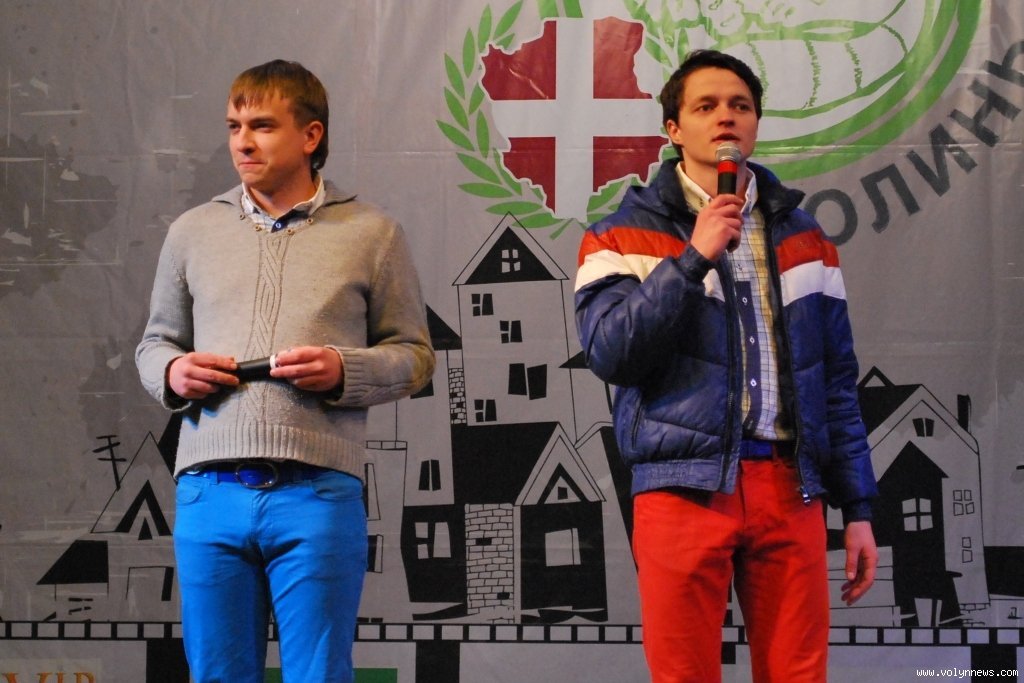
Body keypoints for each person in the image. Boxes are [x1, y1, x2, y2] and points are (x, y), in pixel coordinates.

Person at [574, 50, 878, 683]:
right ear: (673, 129)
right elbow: (611, 353)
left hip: (790, 487)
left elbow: (836, 383)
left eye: (740, 106)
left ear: (756, 123)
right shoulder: (617, 235)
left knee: (798, 675)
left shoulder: (806, 237)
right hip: (682, 489)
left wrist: (858, 510)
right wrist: (692, 258)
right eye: (705, 106)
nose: (726, 118)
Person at [135, 59, 434, 683]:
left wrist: (344, 369)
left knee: (319, 675)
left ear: (310, 135)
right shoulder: (191, 231)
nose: (242, 142)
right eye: (234, 126)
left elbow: (414, 356)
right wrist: (173, 372)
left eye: (263, 126)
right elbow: (155, 344)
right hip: (208, 492)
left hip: (318, 493)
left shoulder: (373, 233)